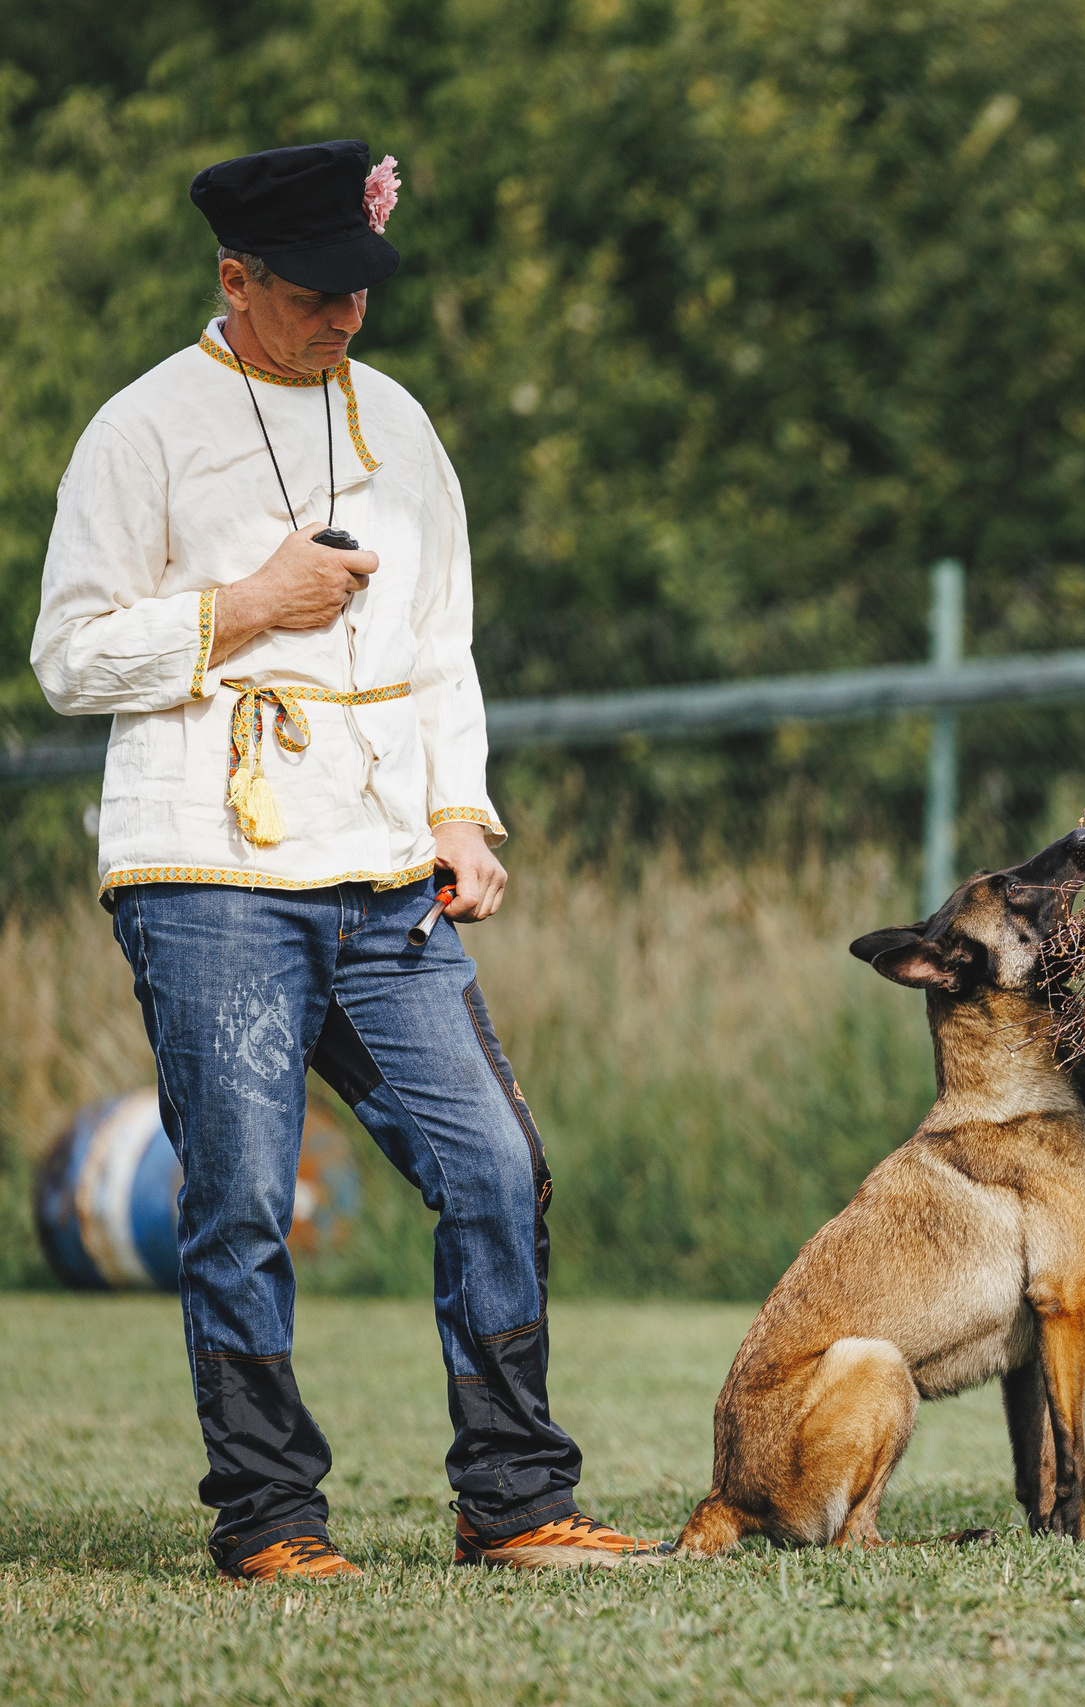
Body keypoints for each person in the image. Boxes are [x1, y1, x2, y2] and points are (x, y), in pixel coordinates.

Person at [31, 140, 657, 1580]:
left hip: (384, 876)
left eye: (359, 292)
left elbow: (443, 649)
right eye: (314, 295)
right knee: (243, 1200)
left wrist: (462, 814)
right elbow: (67, 656)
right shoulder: (142, 428)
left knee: (498, 1168)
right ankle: (269, 1518)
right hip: (209, 873)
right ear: (235, 279)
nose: (346, 319)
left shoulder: (403, 423)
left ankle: (512, 1502)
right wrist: (243, 607)